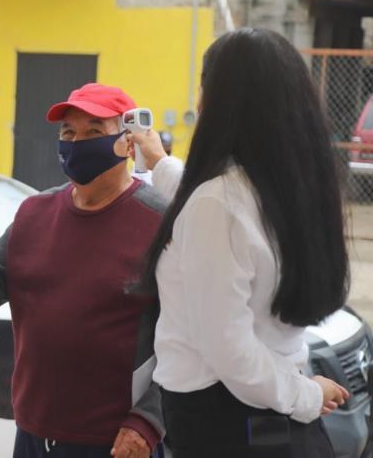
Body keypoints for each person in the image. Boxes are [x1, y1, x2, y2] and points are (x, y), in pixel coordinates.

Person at [0, 83, 167, 458]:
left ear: (128, 142)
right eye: (68, 133)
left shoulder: (160, 220)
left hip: (118, 442)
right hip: (33, 433)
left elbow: (190, 337)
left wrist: (148, 420)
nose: (77, 143)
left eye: (93, 131)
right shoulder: (34, 213)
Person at [131, 28, 350, 457]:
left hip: (224, 419)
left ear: (222, 103)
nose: (198, 102)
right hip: (268, 409)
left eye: (203, 86)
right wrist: (158, 163)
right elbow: (218, 215)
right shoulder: (289, 191)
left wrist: (305, 397)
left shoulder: (217, 204)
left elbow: (226, 348)